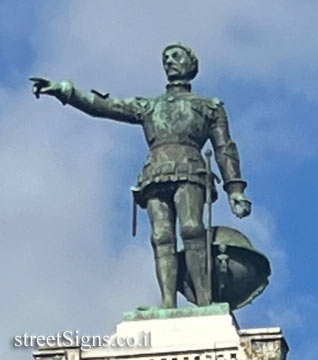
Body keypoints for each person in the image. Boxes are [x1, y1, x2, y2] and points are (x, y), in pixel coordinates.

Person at [30, 43, 251, 308]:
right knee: (161, 237)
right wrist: (67, 91)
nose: (169, 61)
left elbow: (224, 148)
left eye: (176, 56)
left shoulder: (209, 107)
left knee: (192, 229)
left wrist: (234, 188)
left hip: (191, 170)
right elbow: (104, 106)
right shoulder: (149, 106)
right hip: (155, 172)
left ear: (191, 66)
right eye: (165, 57)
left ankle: (203, 302)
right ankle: (168, 303)